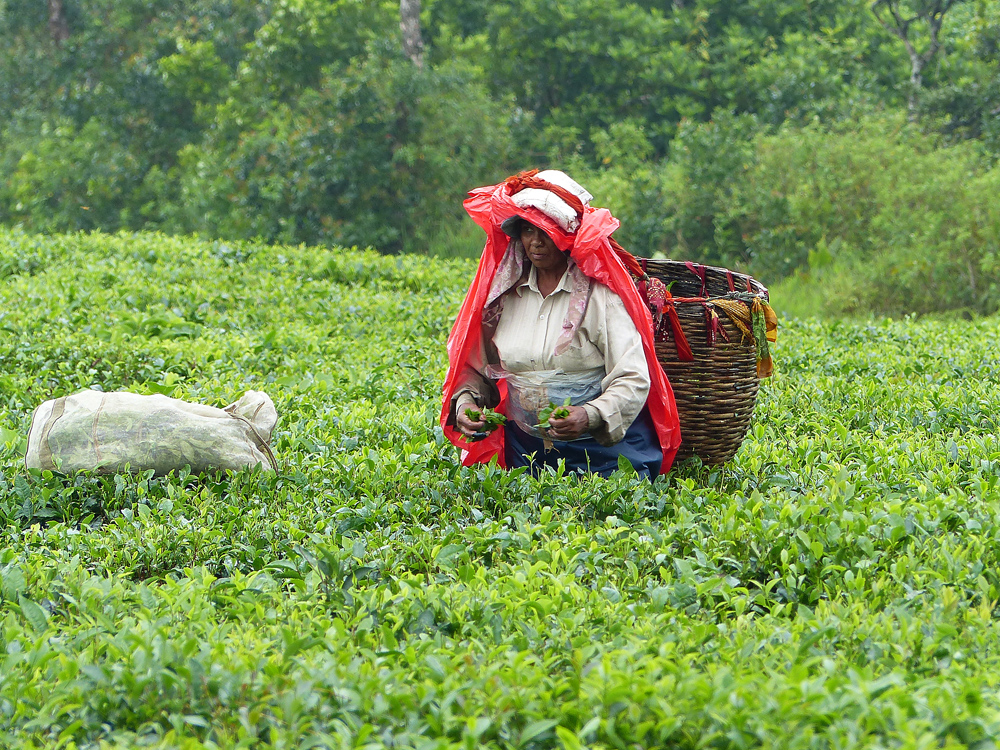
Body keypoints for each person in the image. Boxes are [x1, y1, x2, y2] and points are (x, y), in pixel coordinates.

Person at [441, 170, 681, 478]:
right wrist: (465, 404)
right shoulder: (504, 298)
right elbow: (476, 370)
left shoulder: (600, 298)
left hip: (603, 453)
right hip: (526, 455)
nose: (536, 241)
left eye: (547, 231)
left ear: (567, 237)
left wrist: (589, 414)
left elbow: (633, 377)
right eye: (528, 230)